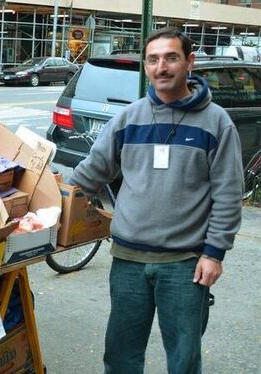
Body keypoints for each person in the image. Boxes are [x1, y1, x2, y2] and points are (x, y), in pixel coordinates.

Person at [68, 27, 243, 374]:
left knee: (183, 358)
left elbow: (228, 193)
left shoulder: (216, 123)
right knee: (120, 356)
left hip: (185, 264)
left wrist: (214, 253)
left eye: (171, 57)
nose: (161, 67)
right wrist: (50, 205)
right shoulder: (129, 118)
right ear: (146, 67)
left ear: (189, 62)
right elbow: (91, 173)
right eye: (153, 59)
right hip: (128, 261)